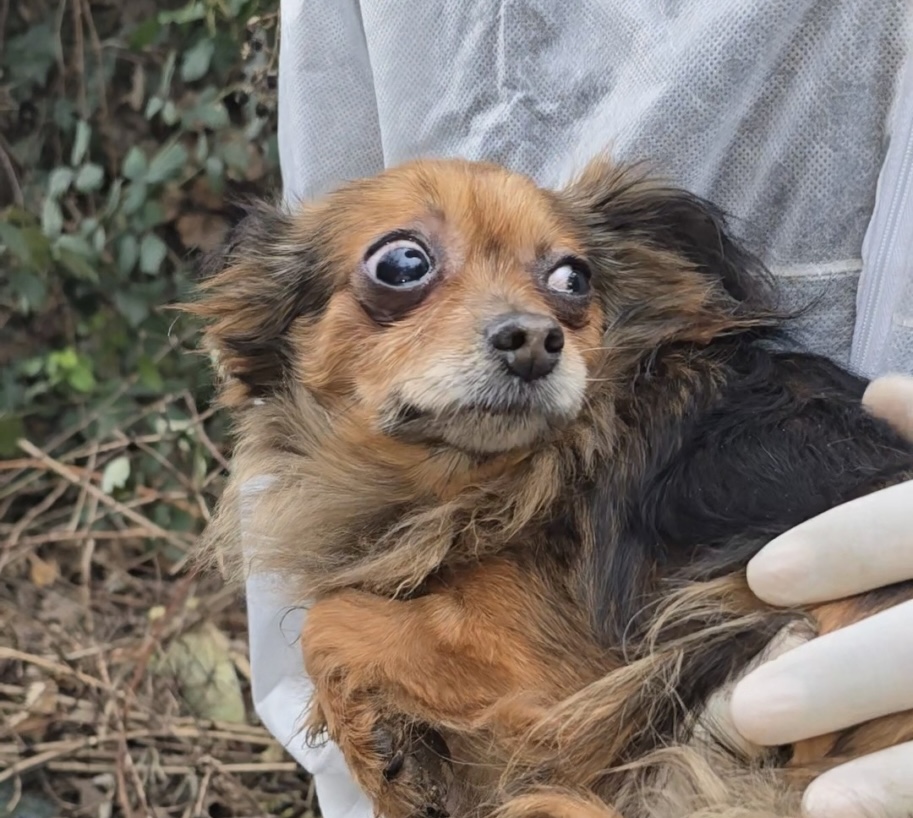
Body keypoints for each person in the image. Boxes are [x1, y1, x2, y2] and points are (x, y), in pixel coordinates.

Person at [243, 2, 913, 817]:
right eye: (405, 268)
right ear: (281, 324)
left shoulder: (628, 451)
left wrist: (344, 641)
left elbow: (528, 701)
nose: (529, 329)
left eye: (565, 285)